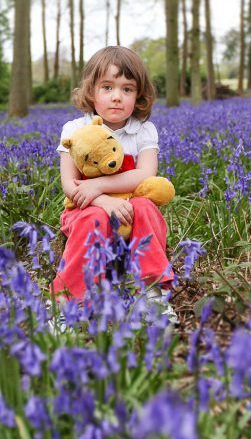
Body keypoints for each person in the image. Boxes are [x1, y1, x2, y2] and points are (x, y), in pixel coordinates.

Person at [51, 46, 175, 313]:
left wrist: (99, 184)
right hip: (86, 207)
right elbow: (70, 184)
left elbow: (145, 174)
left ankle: (152, 290)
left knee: (146, 207)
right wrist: (102, 200)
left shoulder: (142, 130)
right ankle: (69, 303)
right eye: (107, 87)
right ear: (91, 91)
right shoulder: (74, 130)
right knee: (91, 220)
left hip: (130, 208)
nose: (117, 97)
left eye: (127, 89)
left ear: (138, 95)